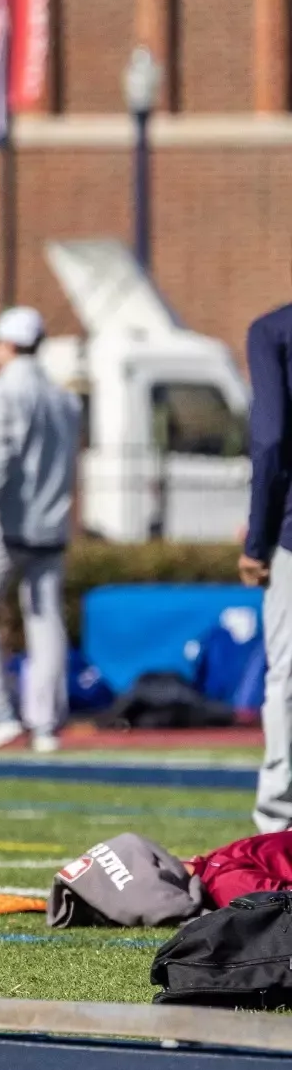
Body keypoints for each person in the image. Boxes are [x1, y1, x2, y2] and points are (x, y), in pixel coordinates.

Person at [0, 305, 81, 756]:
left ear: (5, 344)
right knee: (45, 621)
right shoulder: (65, 399)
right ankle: (45, 724)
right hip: (51, 525)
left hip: (8, 525)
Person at [244, 289, 292, 829]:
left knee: (287, 676)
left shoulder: (274, 330)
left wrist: (257, 540)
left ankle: (279, 821)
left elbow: (272, 440)